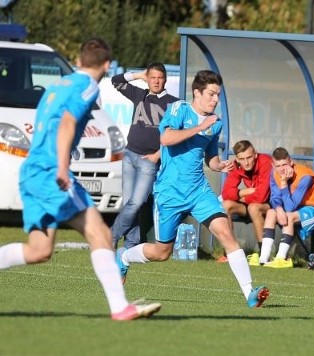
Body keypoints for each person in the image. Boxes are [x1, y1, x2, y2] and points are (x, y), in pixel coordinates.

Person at [0, 38, 161, 321]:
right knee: (99, 233)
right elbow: (66, 122)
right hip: (51, 172)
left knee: (39, 250)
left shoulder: (58, 84)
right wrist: (63, 167)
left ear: (77, 59)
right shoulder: (87, 86)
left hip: (32, 172)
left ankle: (120, 306)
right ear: (107, 64)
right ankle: (120, 307)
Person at [115, 70, 269, 308]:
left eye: (218, 94)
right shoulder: (180, 109)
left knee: (226, 234)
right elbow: (165, 139)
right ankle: (124, 256)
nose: (215, 99)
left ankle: (250, 293)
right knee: (161, 252)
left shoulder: (214, 124)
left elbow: (210, 158)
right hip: (170, 193)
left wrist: (220, 166)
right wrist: (199, 127)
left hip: (199, 192)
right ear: (197, 93)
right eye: (211, 94)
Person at [110, 63, 178, 249]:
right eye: (152, 77)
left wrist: (158, 155)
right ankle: (131, 243)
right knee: (130, 204)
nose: (156, 81)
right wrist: (139, 75)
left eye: (159, 77)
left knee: (137, 202)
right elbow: (115, 80)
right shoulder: (139, 95)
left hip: (149, 160)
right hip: (130, 154)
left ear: (165, 79)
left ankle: (111, 236)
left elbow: (177, 136)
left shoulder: (174, 104)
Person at [258, 147, 314, 268]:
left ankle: (281, 258)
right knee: (271, 213)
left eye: (285, 164)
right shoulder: (274, 174)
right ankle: (263, 258)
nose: (282, 169)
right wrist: (278, 209)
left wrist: (284, 184)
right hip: (299, 208)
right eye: (278, 166)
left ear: (291, 162)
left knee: (289, 216)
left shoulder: (305, 177)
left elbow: (290, 207)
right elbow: (275, 198)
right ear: (273, 165)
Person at [221, 140, 272, 266]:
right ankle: (230, 252)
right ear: (237, 159)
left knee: (254, 207)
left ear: (255, 154)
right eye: (242, 159)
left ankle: (263, 254)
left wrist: (241, 196)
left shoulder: (266, 162)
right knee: (226, 205)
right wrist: (244, 192)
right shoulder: (236, 166)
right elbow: (226, 193)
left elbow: (262, 197)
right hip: (250, 203)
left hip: (272, 206)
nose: (246, 162)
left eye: (249, 157)